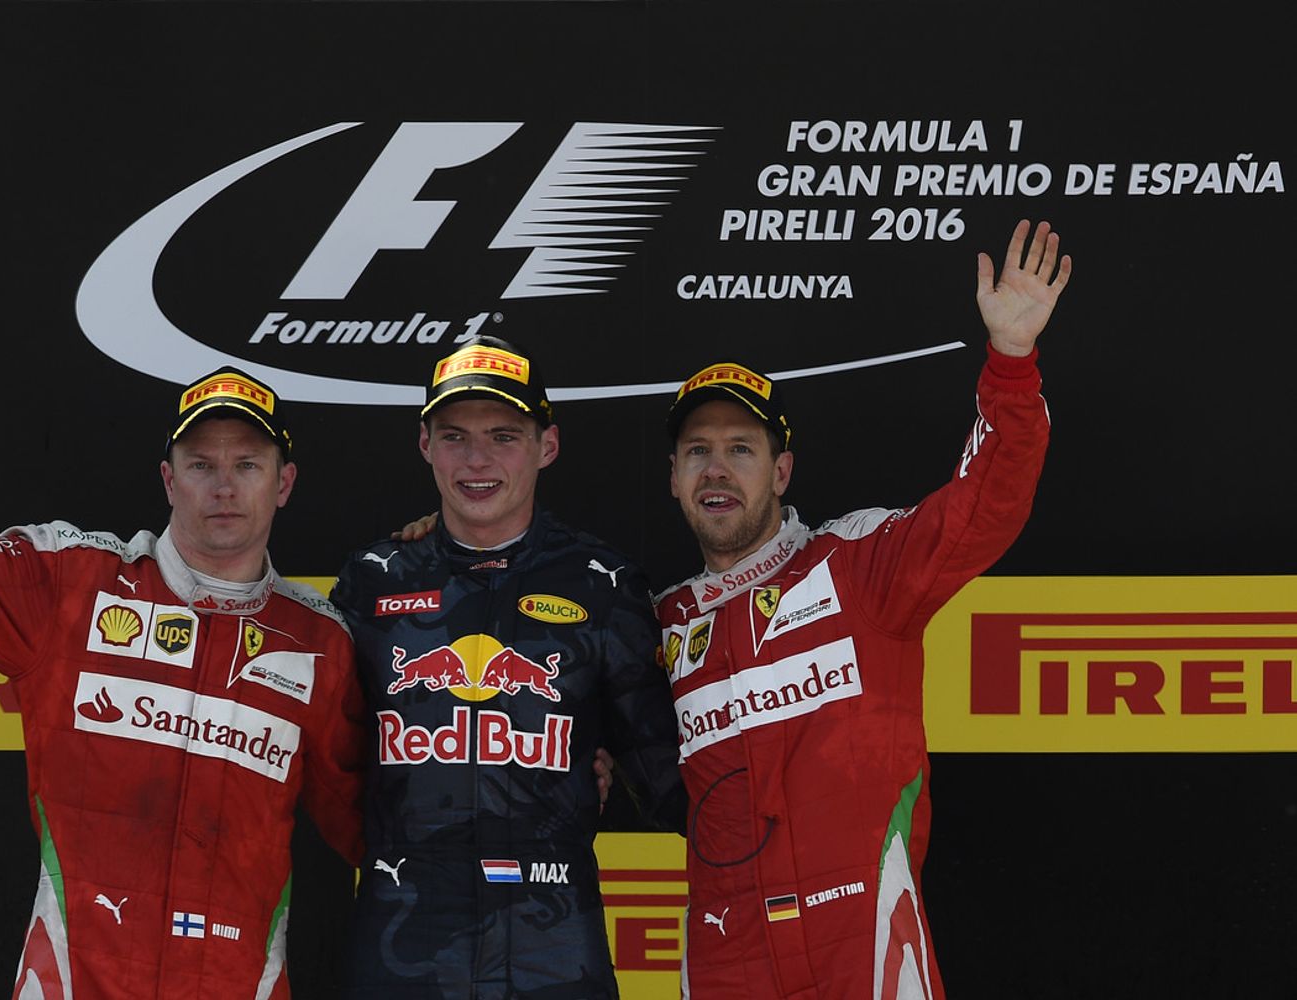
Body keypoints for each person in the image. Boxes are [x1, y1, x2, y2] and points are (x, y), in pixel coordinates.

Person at [0, 249, 366, 1000]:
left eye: (248, 465)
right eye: (201, 464)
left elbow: (389, 831)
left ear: (284, 483)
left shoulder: (321, 645)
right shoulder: (70, 587)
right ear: (168, 479)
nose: (223, 488)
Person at [656, 220, 1070, 1000]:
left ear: (781, 471)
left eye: (741, 449)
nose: (717, 470)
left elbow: (985, 507)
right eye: (697, 452)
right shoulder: (657, 624)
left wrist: (1011, 363)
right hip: (724, 957)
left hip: (863, 940)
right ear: (674, 477)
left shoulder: (857, 566)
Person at [330, 335, 685, 999]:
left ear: (547, 445)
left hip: (554, 952)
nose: (477, 460)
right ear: (425, 445)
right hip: (401, 950)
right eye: (455, 437)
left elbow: (669, 778)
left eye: (503, 436)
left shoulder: (603, 584)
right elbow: (324, 770)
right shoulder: (372, 582)